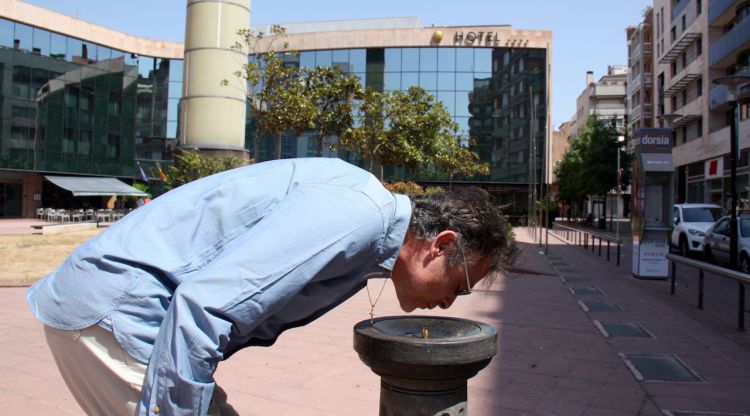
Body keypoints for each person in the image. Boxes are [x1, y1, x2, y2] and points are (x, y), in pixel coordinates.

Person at [26, 157, 514, 416]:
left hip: (122, 313)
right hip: (121, 314)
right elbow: (204, 309)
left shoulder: (369, 230)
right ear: (439, 244)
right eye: (461, 284)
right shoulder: (358, 216)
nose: (450, 302)